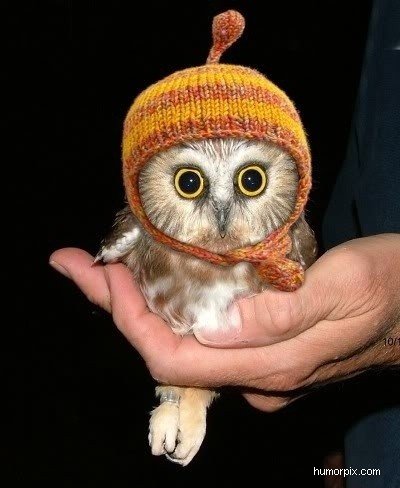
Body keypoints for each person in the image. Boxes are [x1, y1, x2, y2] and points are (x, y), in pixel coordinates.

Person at [49, 0, 399, 485]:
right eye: (188, 182)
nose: (221, 211)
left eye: (252, 179)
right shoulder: (142, 234)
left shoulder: (291, 244)